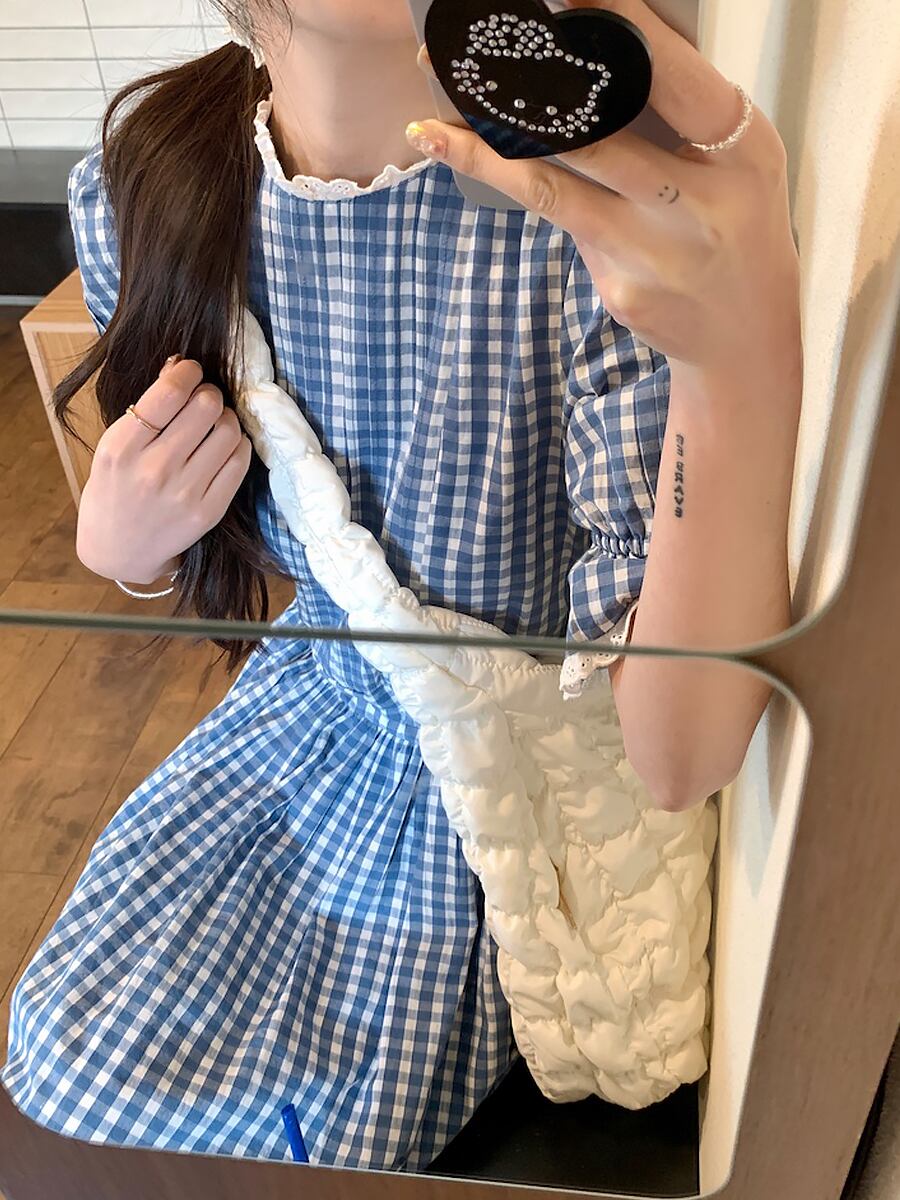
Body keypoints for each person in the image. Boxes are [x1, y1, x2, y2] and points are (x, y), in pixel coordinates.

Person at [1, 0, 802, 1173]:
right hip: (293, 725)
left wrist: (739, 354)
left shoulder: (586, 225)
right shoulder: (160, 178)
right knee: (66, 1052)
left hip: (488, 783)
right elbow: (220, 513)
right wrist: (126, 555)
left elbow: (675, 756)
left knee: (274, 1132)